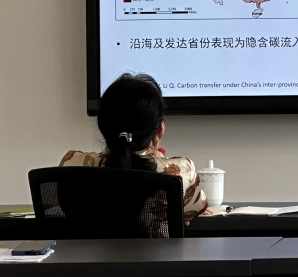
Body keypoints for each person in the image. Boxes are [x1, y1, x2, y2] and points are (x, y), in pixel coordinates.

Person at [60, 73, 210, 222]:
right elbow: (196, 208)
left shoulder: (71, 164)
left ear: (102, 127)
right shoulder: (181, 171)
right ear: (159, 131)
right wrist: (158, 159)